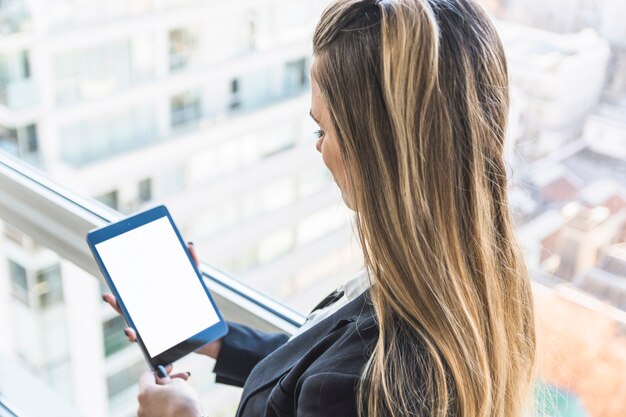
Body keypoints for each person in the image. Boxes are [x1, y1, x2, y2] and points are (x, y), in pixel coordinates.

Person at [104, 0, 537, 416]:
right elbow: (313, 363)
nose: (318, 147)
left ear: (379, 153)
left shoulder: (365, 385)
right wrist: (213, 339)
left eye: (322, 128)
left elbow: (330, 379)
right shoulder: (468, 278)